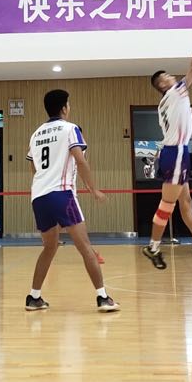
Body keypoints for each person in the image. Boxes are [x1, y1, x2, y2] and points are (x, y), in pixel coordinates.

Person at [25, 89, 118, 312]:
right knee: (85, 246)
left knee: (49, 248)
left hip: (39, 196)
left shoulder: (36, 134)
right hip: (62, 194)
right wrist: (93, 189)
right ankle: (103, 297)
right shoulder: (70, 128)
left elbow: (33, 167)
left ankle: (34, 297)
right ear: (64, 108)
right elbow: (80, 160)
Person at [142, 26, 192, 268]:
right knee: (168, 205)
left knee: (186, 203)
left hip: (177, 152)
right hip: (175, 153)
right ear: (163, 84)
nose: (171, 77)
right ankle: (153, 247)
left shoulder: (166, 102)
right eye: (166, 76)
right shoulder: (175, 92)